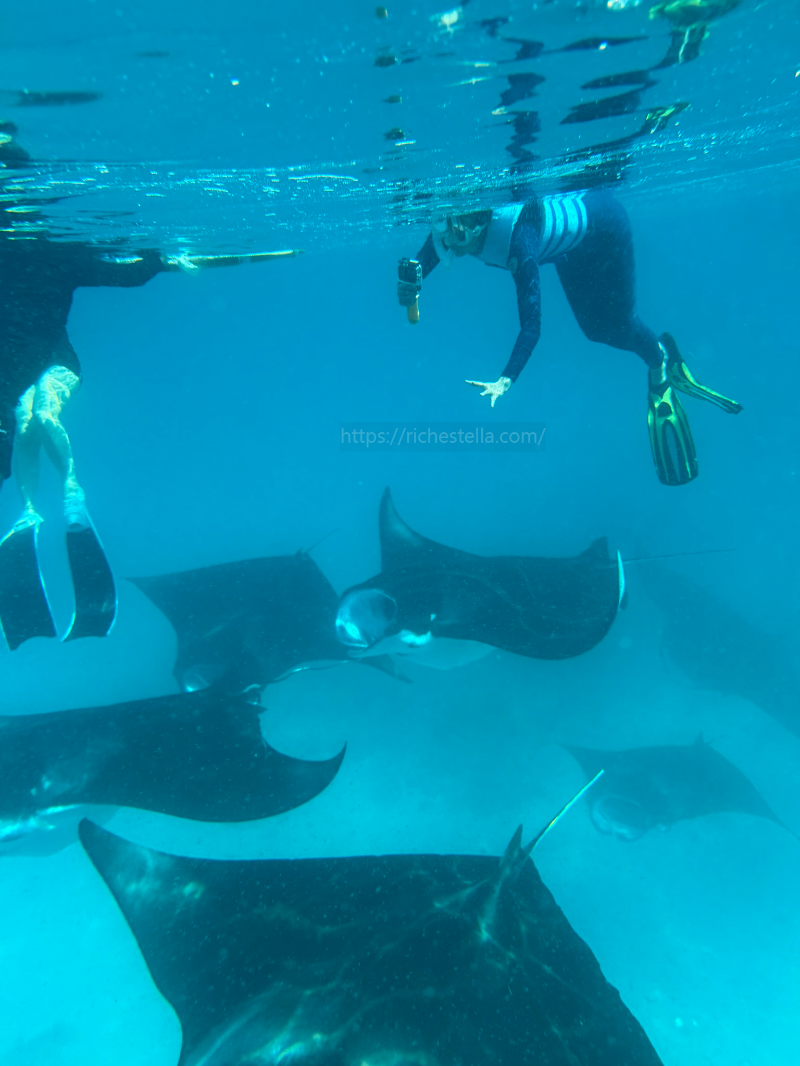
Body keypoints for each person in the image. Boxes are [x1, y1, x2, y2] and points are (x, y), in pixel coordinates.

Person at [397, 190, 742, 486]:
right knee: (594, 331)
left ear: (478, 227)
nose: (450, 245)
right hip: (566, 248)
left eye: (456, 238)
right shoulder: (458, 228)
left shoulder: (520, 241)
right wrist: (414, 282)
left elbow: (532, 326)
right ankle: (658, 349)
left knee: (620, 324)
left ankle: (660, 364)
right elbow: (427, 258)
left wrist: (506, 380)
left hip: (606, 228)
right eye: (444, 230)